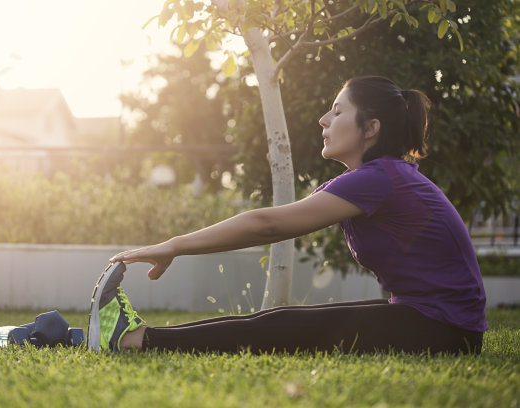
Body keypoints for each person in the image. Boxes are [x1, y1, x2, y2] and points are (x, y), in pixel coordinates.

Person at [90, 75, 487, 355]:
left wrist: (172, 246)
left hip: (444, 328)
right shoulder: (371, 179)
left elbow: (269, 224)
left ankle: (135, 341)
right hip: (429, 318)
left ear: (371, 128)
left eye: (336, 112)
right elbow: (276, 221)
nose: (323, 121)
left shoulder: (379, 179)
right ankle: (138, 336)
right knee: (282, 319)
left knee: (284, 327)